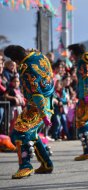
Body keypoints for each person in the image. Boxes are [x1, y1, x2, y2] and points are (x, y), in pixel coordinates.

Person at [4, 45, 54, 179]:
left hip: (39, 107)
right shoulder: (39, 55)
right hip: (46, 102)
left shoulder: (26, 68)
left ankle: (25, 166)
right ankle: (46, 163)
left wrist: (43, 114)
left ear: (15, 59)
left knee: (20, 131)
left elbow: (36, 94)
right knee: (31, 133)